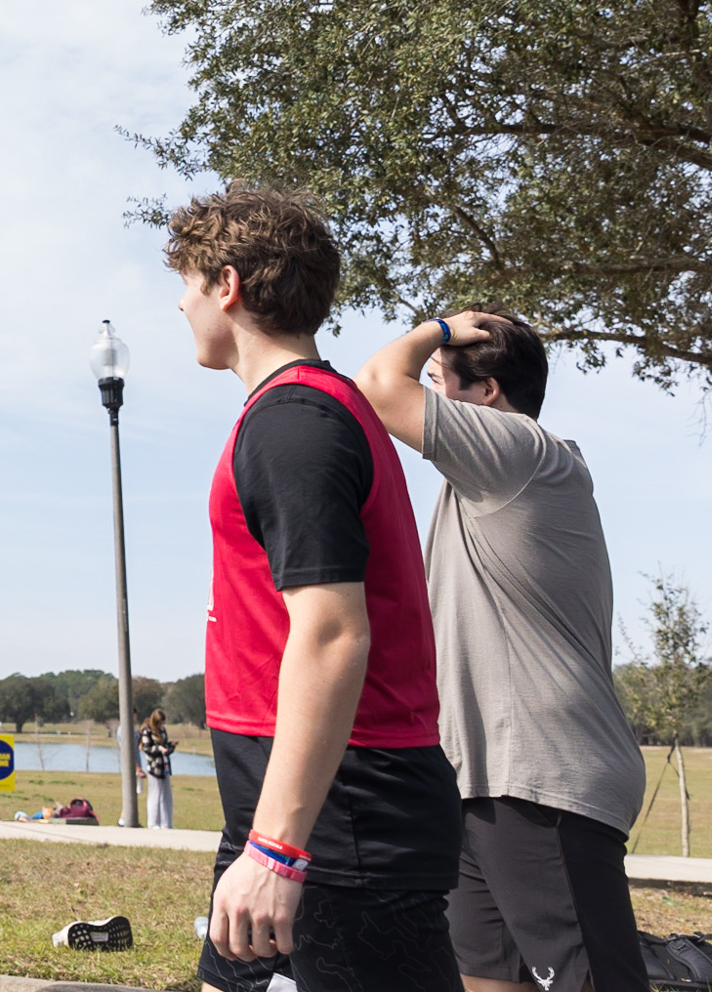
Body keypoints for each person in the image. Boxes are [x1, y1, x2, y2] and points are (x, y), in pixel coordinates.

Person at [166, 186, 461, 992]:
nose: (181, 304)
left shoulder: (295, 421)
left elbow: (333, 631)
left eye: (188, 284)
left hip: (339, 819)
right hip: (290, 807)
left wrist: (278, 848)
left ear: (227, 285)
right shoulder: (298, 410)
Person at [356, 311, 651, 992]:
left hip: (541, 776)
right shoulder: (487, 479)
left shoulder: (521, 451)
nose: (427, 393)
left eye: (438, 380)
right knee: (486, 979)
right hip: (480, 781)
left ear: (487, 393)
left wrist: (438, 328)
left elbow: (377, 384)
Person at [139, 709, 178, 830]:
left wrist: (171, 746)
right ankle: (153, 822)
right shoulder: (147, 731)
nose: (161, 725)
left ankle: (167, 823)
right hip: (154, 768)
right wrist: (159, 749)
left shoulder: (162, 731)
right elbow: (147, 748)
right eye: (160, 722)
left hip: (164, 766)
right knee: (155, 794)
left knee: (167, 795)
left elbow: (165, 746)